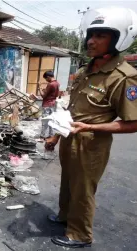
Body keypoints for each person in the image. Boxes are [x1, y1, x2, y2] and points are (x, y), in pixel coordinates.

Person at [44, 8, 137, 248]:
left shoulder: (124, 77)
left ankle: (80, 233)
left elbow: (132, 123)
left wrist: (90, 127)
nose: (91, 41)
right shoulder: (86, 71)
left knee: (83, 188)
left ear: (117, 40)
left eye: (100, 36)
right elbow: (72, 112)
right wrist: (55, 137)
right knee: (68, 181)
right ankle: (65, 216)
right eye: (91, 35)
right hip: (69, 138)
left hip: (92, 144)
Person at [39, 71, 60, 139]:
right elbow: (56, 94)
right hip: (53, 104)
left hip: (47, 104)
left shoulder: (50, 84)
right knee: (51, 121)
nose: (46, 80)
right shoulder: (57, 83)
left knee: (45, 121)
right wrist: (46, 90)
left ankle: (42, 136)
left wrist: (39, 88)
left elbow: (43, 96)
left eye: (46, 79)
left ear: (48, 77)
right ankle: (51, 135)